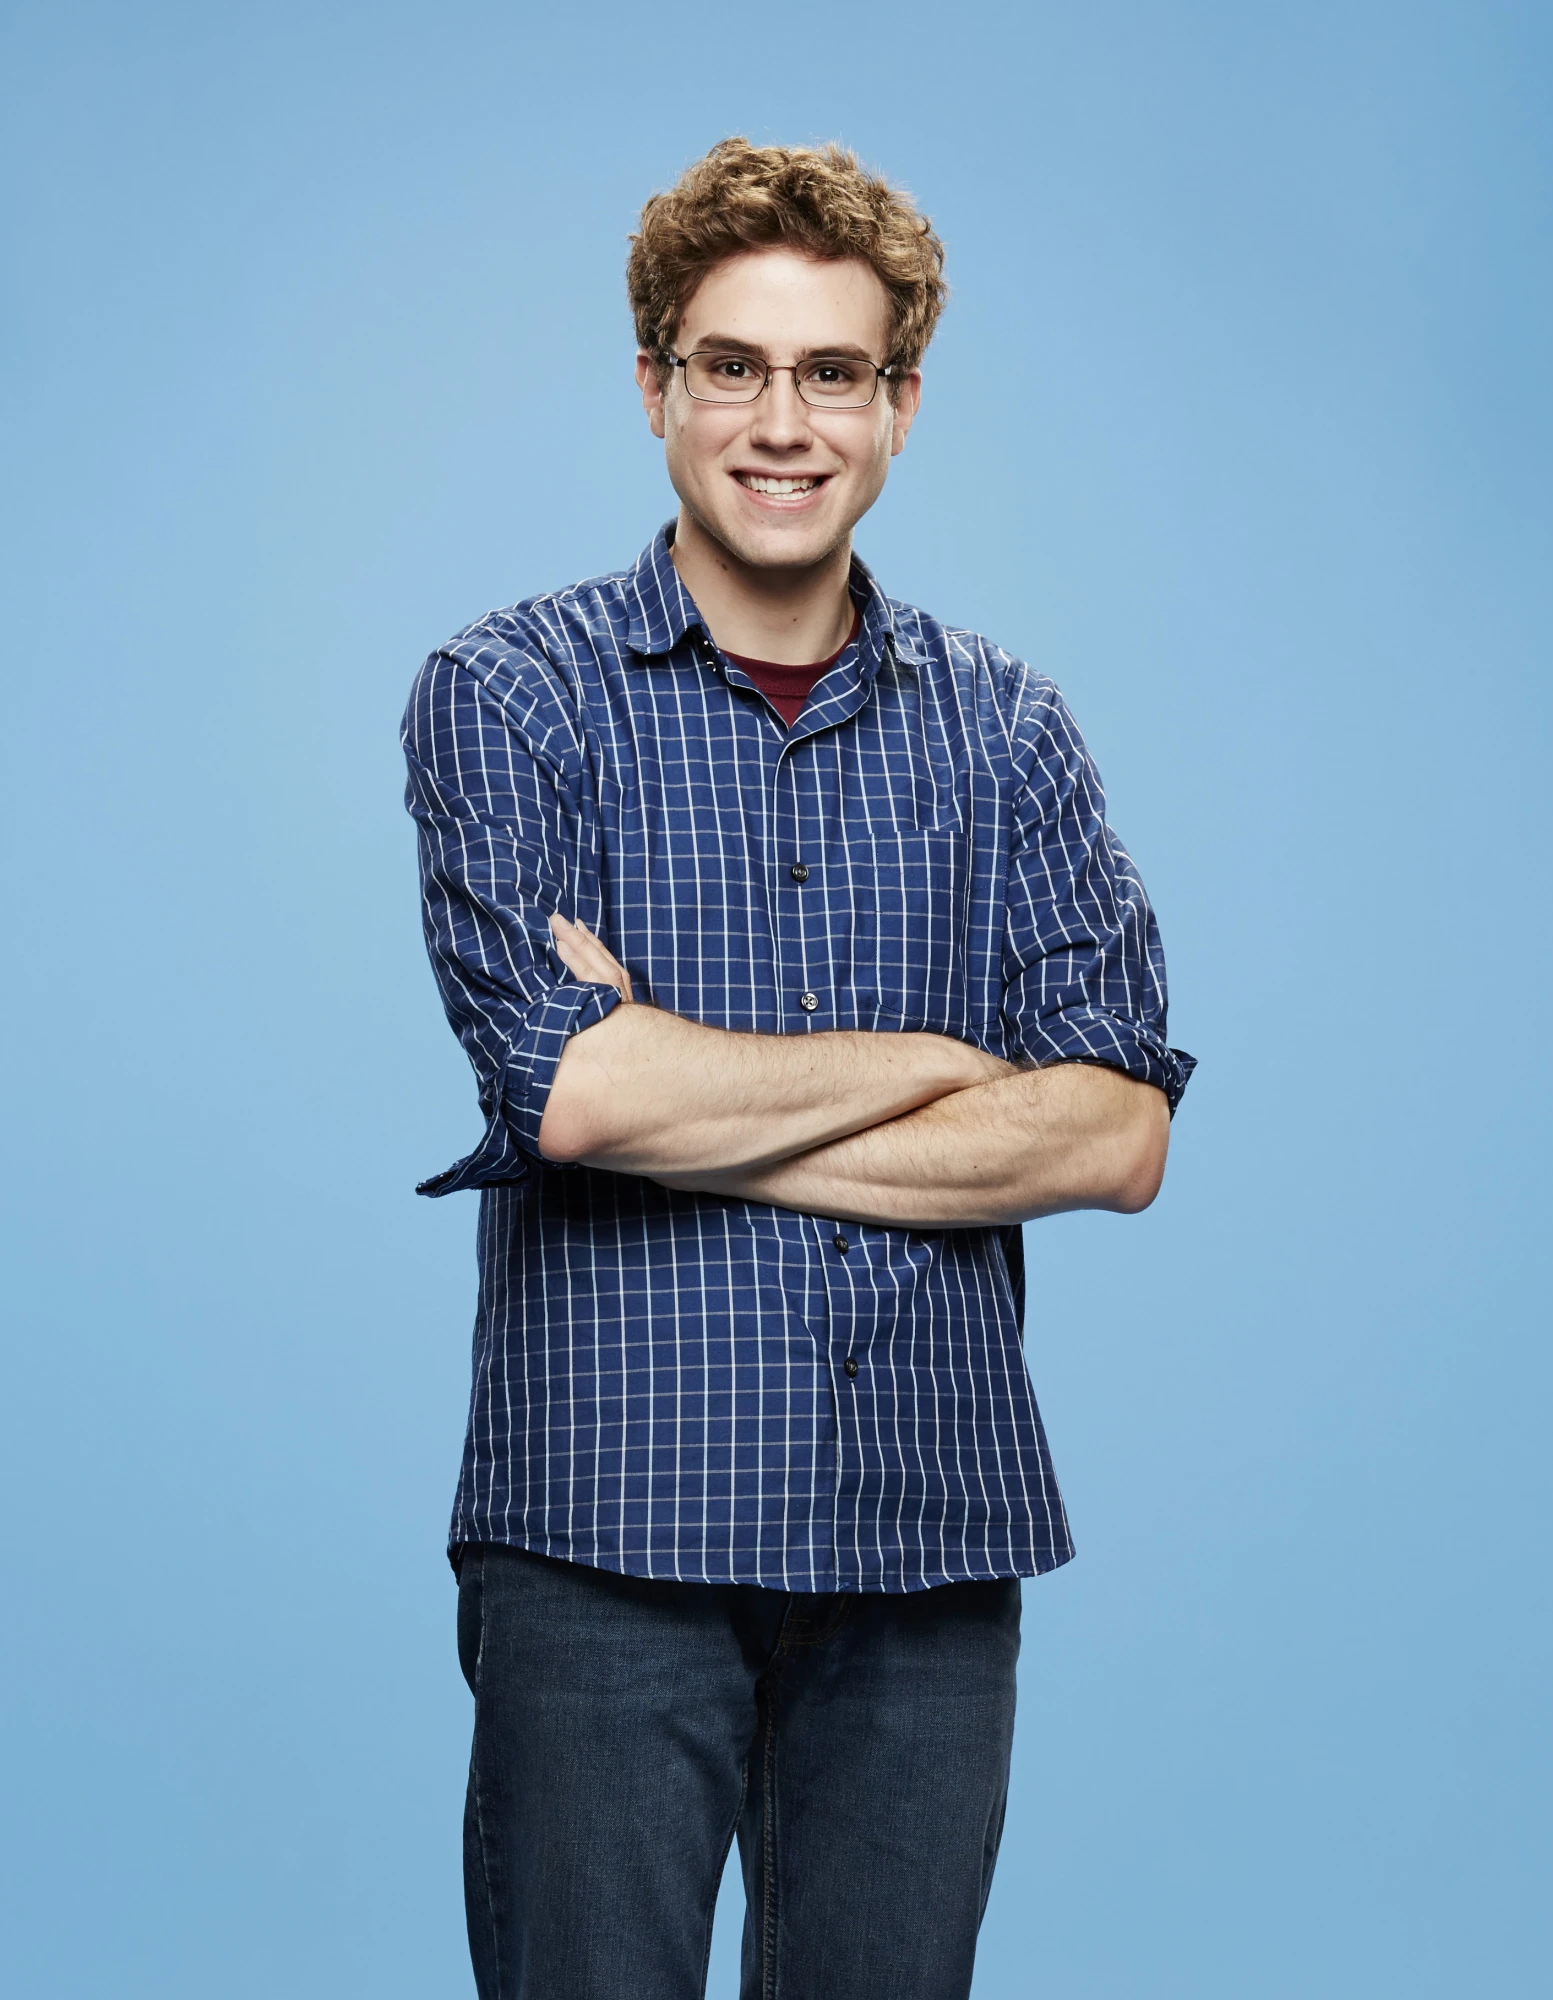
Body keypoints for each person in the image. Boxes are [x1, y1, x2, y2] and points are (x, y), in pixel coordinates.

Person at [403, 136, 1194, 2000]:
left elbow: (1117, 1130)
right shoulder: (511, 693)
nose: (783, 422)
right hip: (605, 1528)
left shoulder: (1009, 729)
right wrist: (938, 1064)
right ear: (655, 387)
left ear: (899, 405)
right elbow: (571, 1095)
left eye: (832, 371)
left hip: (926, 1532)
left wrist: (682, 1098)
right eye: (732, 366)